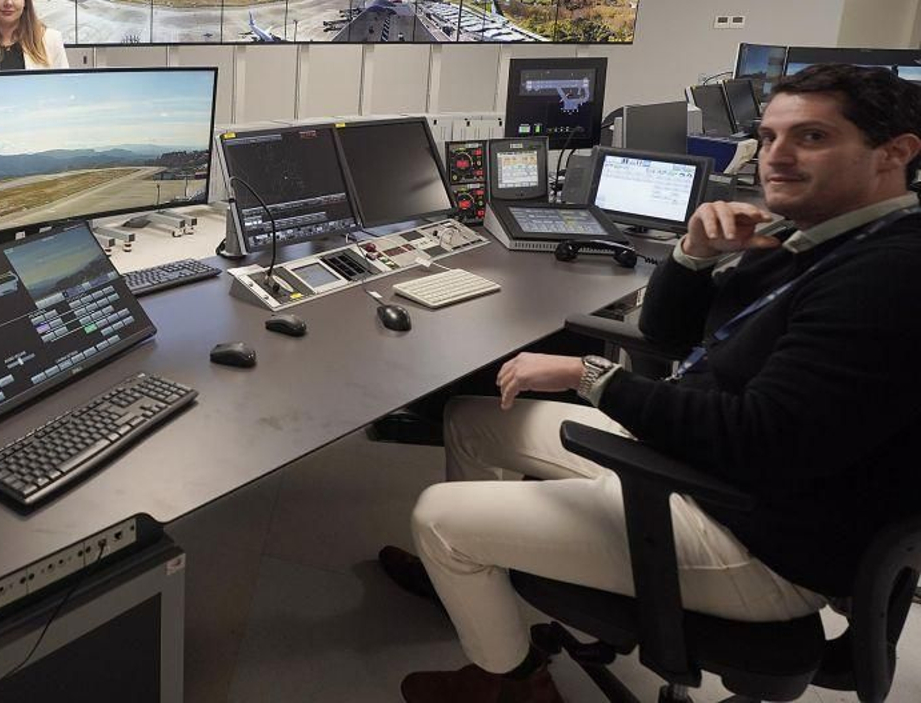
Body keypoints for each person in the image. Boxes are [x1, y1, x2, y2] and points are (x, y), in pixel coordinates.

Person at [381, 63, 921, 703]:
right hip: (702, 467)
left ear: (895, 153)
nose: (775, 158)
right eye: (770, 137)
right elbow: (667, 335)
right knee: (473, 419)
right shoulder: (825, 237)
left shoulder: (888, 277)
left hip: (760, 539)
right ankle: (473, 579)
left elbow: (760, 442)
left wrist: (589, 375)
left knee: (439, 518)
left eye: (811, 138)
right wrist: (693, 253)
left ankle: (513, 680)